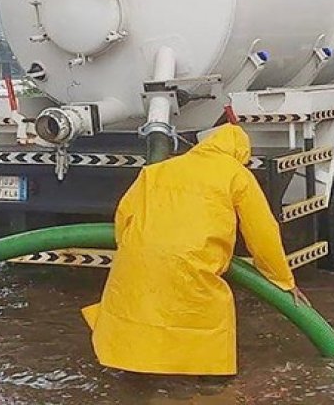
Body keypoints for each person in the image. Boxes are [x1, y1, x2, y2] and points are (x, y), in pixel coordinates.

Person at [81, 124, 307, 376]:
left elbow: (123, 216)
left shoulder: (159, 169)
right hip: (194, 261)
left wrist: (135, 248)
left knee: (136, 305)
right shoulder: (235, 173)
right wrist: (283, 280)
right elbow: (262, 231)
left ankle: (132, 368)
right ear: (240, 153)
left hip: (141, 258)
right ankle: (209, 381)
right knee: (206, 313)